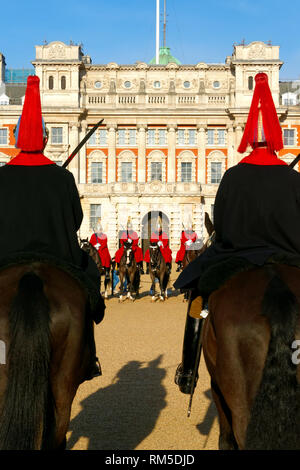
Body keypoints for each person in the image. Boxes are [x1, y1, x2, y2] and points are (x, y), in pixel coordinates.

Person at [174, 72, 300, 394]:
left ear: (248, 137)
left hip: (238, 257)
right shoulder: (293, 179)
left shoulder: (232, 176)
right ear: (275, 138)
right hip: (289, 257)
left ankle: (189, 370)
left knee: (198, 298)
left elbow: (223, 225)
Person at [0, 75, 104, 380]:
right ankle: (87, 355)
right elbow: (76, 221)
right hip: (57, 258)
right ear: (45, 139)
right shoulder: (61, 178)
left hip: (5, 258)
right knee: (87, 287)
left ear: (17, 139)